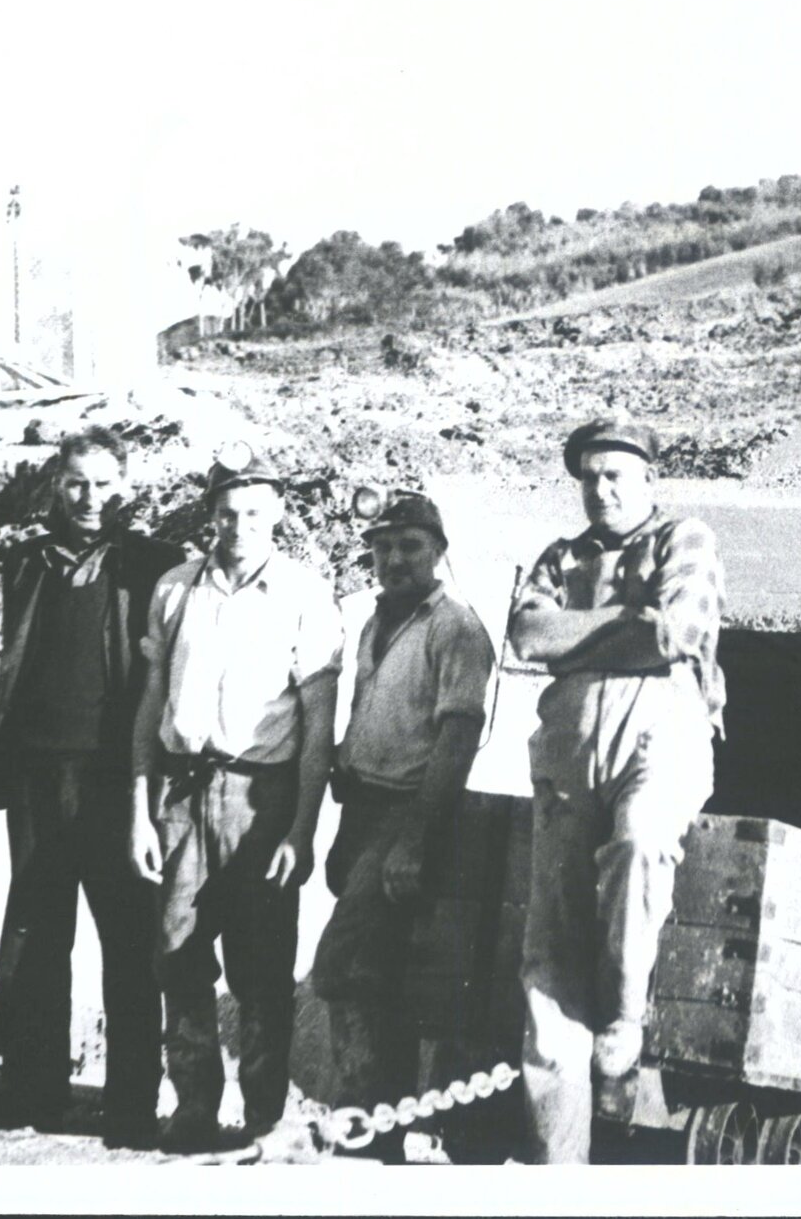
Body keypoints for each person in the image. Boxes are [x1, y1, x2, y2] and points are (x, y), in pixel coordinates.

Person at [509, 416, 726, 1164]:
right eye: (589, 477)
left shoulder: (682, 538)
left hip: (658, 732)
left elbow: (672, 633)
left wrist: (582, 631)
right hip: (569, 749)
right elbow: (526, 636)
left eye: (615, 476)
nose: (600, 489)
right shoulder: (558, 554)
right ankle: (555, 1167)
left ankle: (625, 1019)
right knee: (549, 957)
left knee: (638, 839)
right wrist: (625, 620)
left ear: (646, 481)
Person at [0, 426, 185, 1148]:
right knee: (33, 933)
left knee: (126, 940)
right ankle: (32, 1090)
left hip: (116, 779)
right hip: (36, 774)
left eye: (102, 482)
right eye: (75, 483)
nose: (90, 498)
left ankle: (128, 1104)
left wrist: (146, 786)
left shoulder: (153, 563)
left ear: (124, 482)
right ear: (55, 485)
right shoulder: (26, 563)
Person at [129, 445, 343, 1154]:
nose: (239, 524)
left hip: (262, 797)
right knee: (176, 953)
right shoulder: (174, 588)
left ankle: (262, 1117)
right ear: (209, 514)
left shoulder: (306, 594)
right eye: (226, 511)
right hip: (182, 792)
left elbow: (318, 729)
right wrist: (141, 809)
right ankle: (193, 1107)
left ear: (278, 512)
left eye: (254, 510)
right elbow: (149, 705)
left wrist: (300, 831)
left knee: (260, 965)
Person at [307, 492, 496, 1163]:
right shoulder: (373, 623)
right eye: (383, 547)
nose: (394, 559)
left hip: (408, 814)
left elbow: (458, 736)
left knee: (344, 967)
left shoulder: (455, 628)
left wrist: (414, 838)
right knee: (376, 977)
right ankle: (374, 1136)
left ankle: (356, 1123)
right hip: (360, 812)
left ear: (438, 552)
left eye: (409, 546)